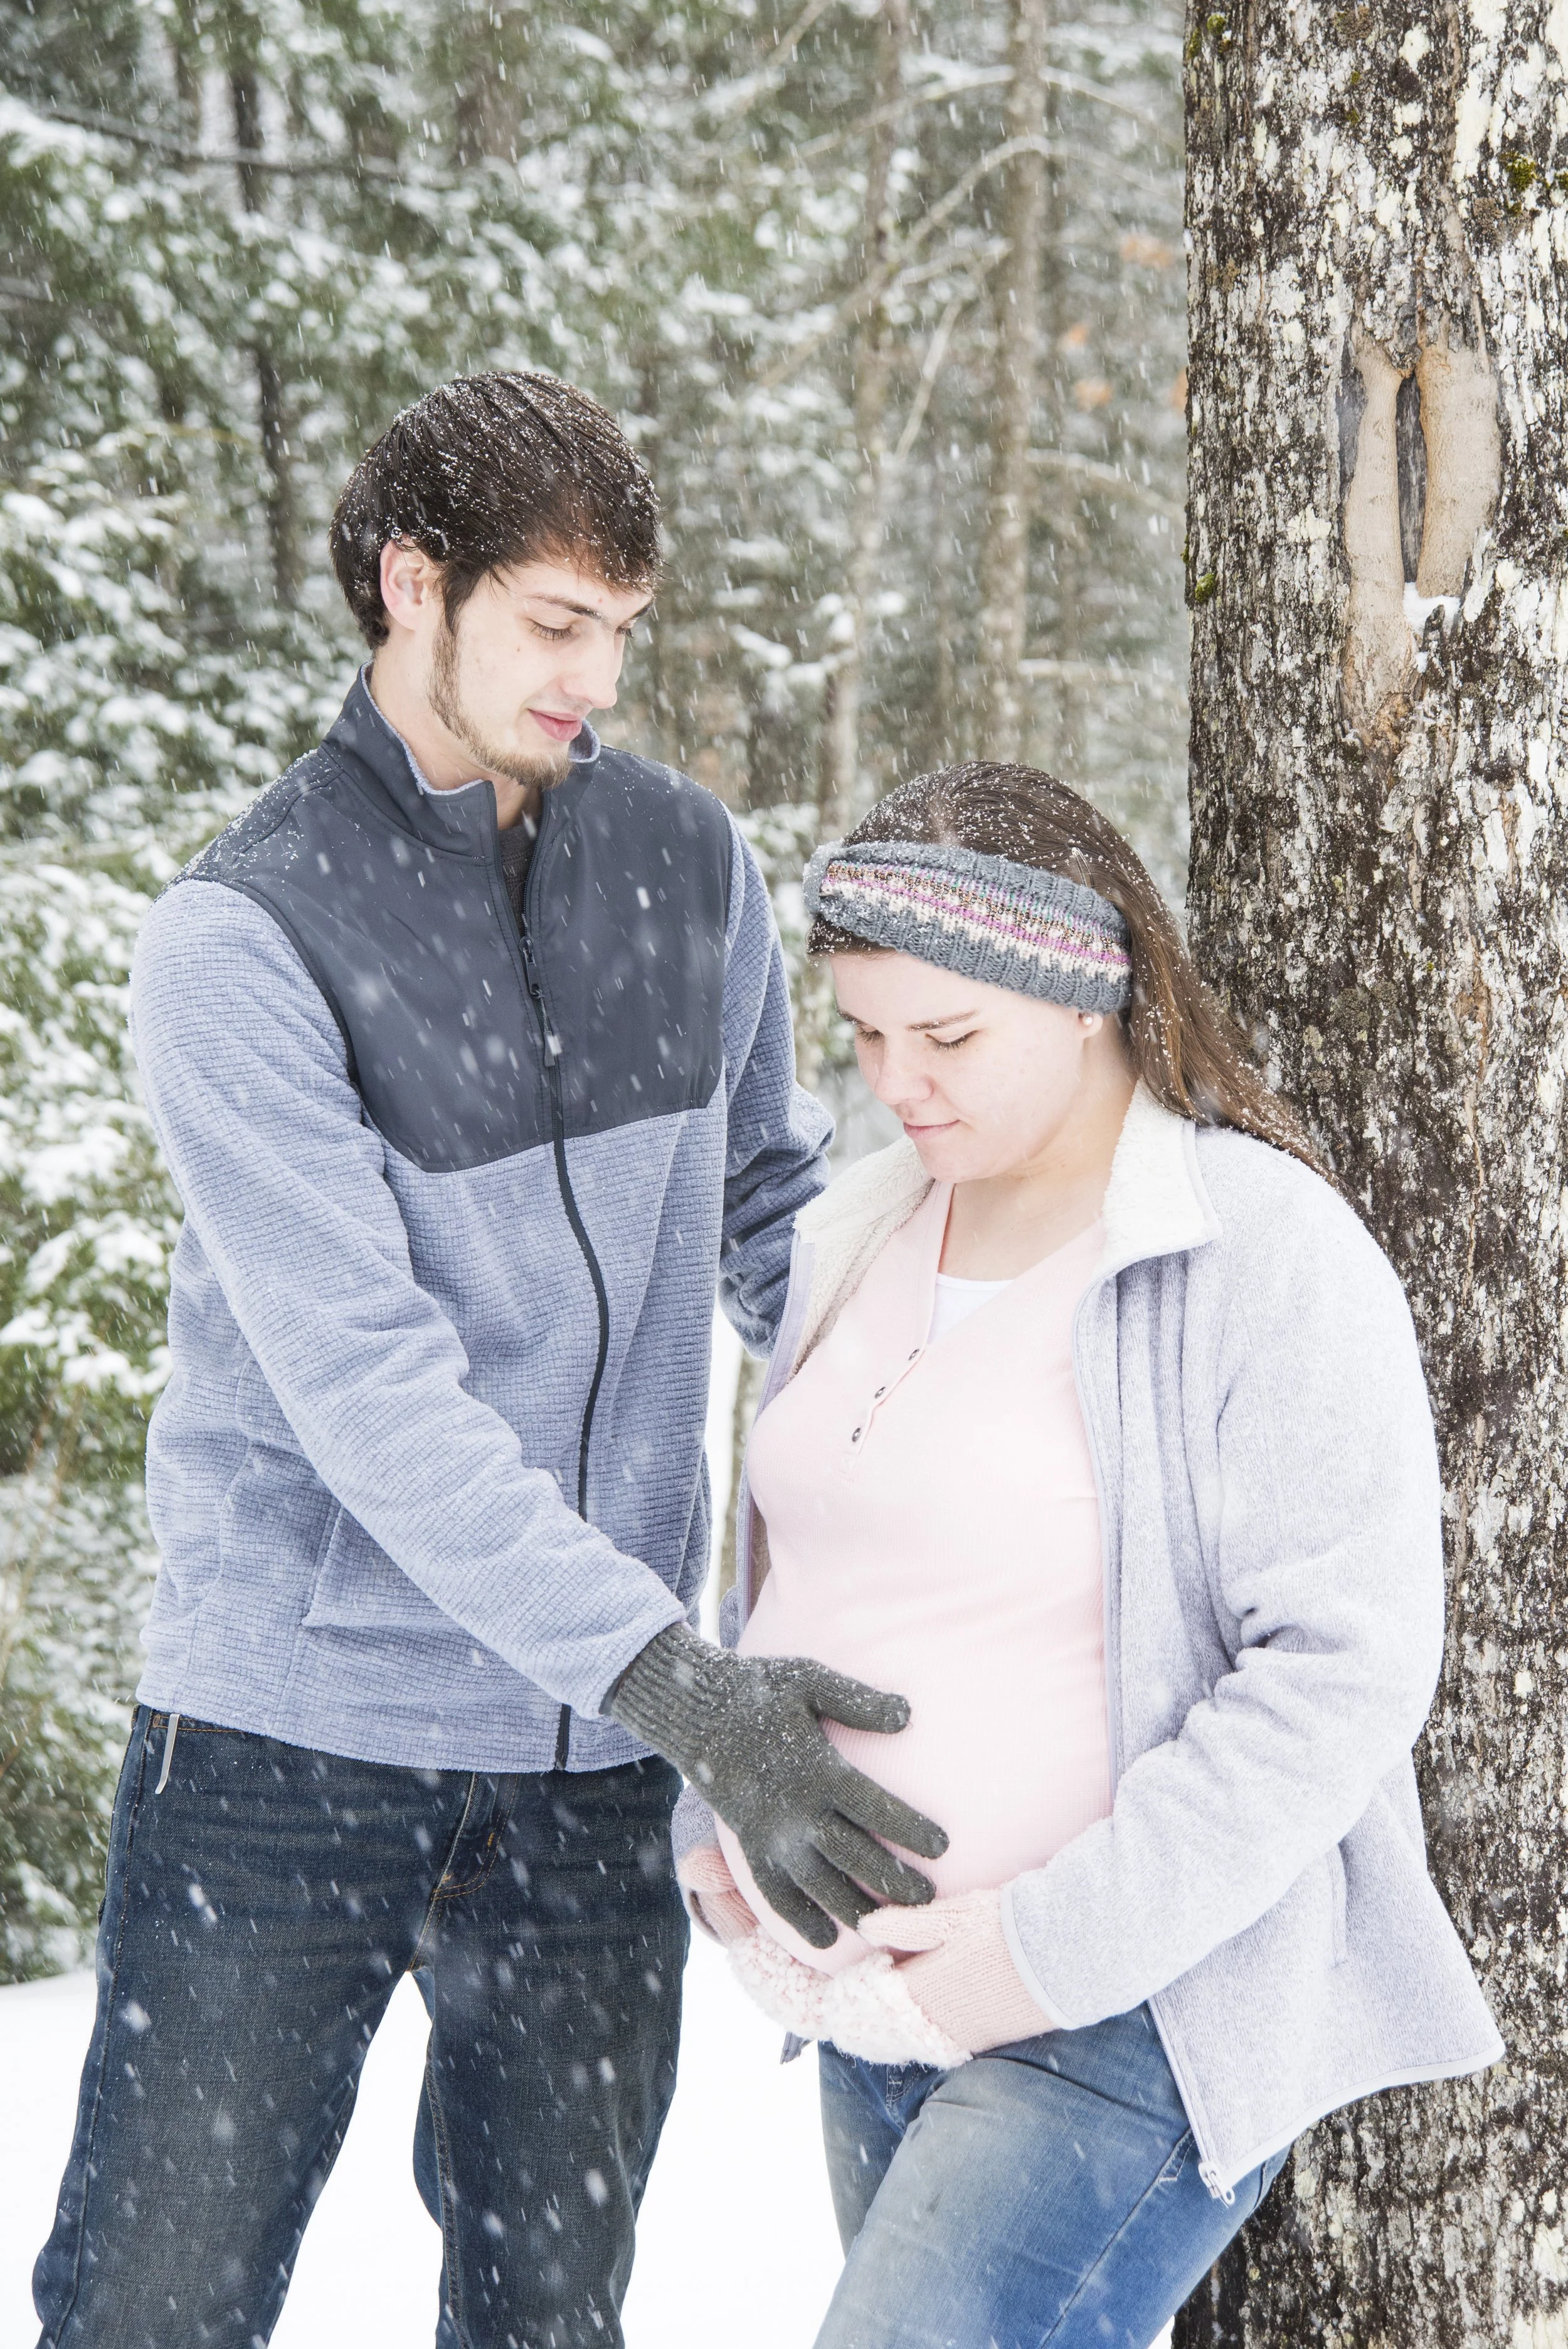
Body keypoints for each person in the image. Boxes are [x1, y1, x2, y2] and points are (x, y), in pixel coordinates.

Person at [33, 371, 945, 2349]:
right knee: (152, 2308)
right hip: (293, 1750)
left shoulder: (687, 867)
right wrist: (681, 1682)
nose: (593, 680)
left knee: (552, 2321)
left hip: (589, 1775)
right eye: (553, 626)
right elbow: (368, 1396)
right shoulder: (245, 938)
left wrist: (958, 1391)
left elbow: (770, 1211)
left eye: (622, 633)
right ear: (405, 582)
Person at [674, 763, 1503, 2349]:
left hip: (1120, 2007)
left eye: (947, 1037)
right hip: (871, 2002)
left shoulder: (1256, 1253)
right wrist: (714, 1814)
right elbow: (793, 1563)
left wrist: (1033, 1953)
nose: (895, 1080)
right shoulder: (863, 1221)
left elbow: (1341, 1670)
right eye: (861, 1034)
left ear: (1082, 993)